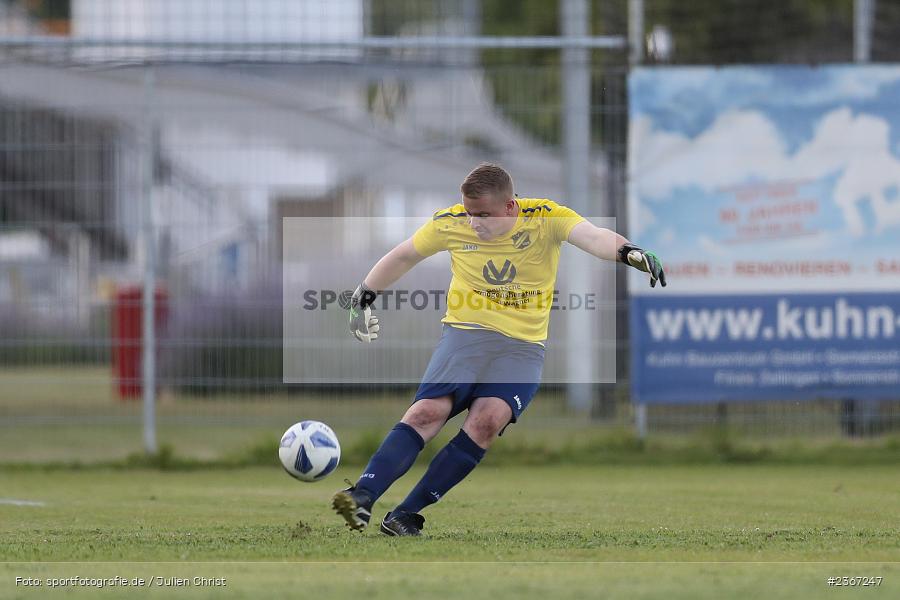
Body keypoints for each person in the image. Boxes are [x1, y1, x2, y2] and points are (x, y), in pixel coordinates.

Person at [332, 163, 666, 536]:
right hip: (466, 336)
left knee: (487, 422)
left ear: (510, 207)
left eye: (483, 215)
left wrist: (629, 252)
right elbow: (404, 255)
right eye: (470, 213)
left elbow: (592, 236)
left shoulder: (546, 217)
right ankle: (361, 496)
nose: (474, 222)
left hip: (522, 349)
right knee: (427, 413)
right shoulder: (452, 221)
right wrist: (362, 299)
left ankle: (405, 514)